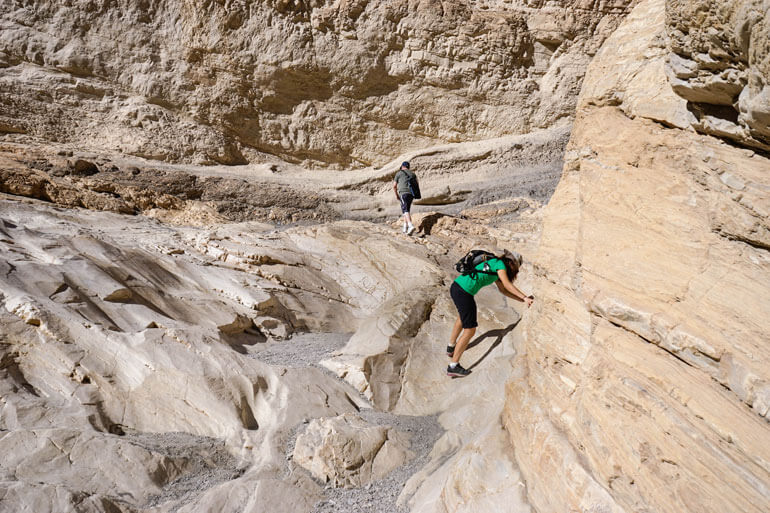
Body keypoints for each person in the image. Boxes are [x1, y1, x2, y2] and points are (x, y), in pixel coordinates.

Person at [446, 250, 534, 377]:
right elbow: (508, 285)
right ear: (513, 263)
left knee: (462, 317)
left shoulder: (494, 263)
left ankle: (451, 347)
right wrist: (525, 297)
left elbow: (503, 291)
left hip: (457, 287)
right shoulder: (500, 265)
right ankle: (453, 366)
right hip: (464, 293)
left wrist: (522, 300)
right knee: (470, 329)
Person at [392, 161, 416, 235]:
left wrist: (396, 195)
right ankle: (405, 228)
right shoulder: (412, 174)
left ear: (402, 166)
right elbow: (416, 184)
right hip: (411, 194)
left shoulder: (399, 173)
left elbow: (394, 186)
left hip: (403, 193)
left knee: (405, 210)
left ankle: (410, 226)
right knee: (407, 210)